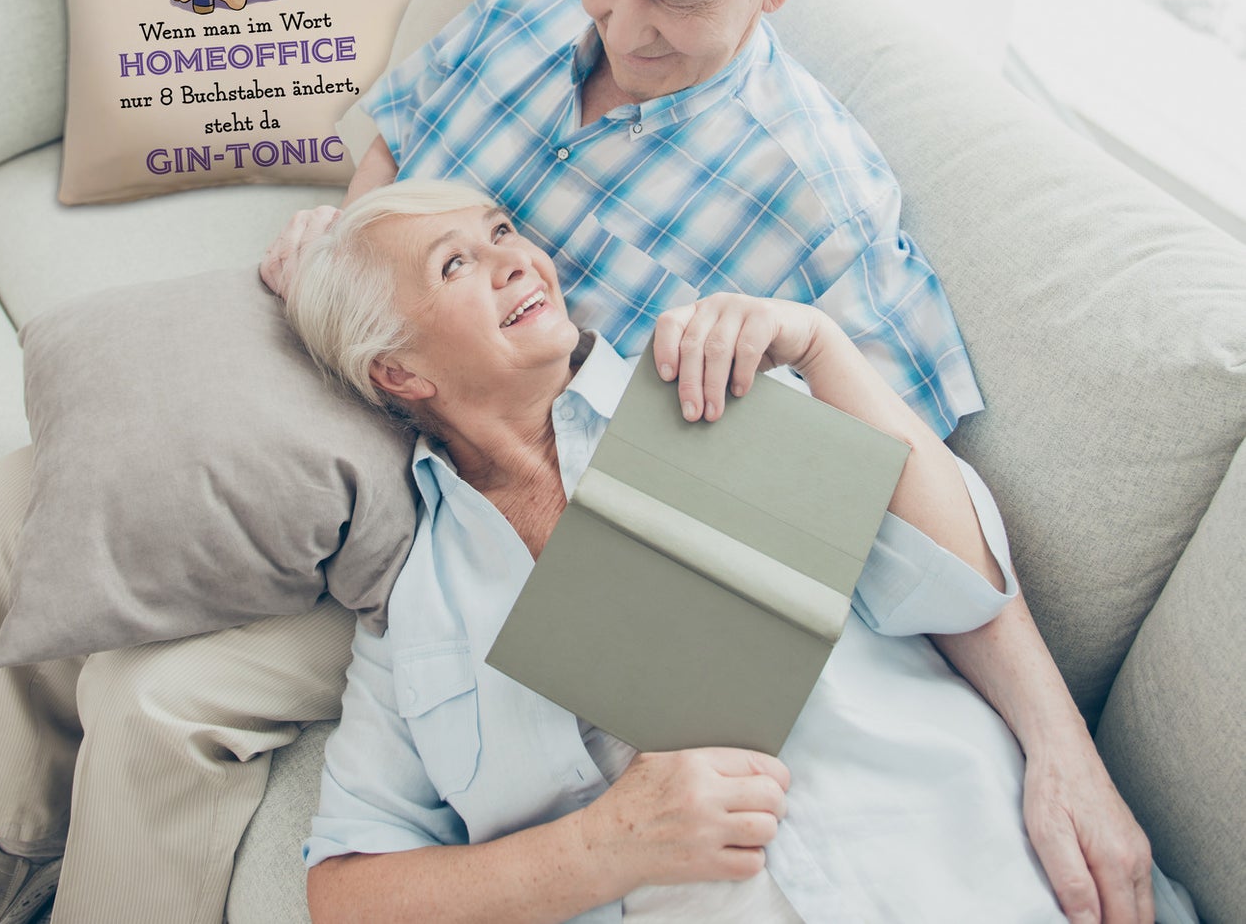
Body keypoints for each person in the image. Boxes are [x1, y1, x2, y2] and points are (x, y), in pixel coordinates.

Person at [0, 0, 1149, 924]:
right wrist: (348, 242)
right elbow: (391, 142)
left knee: (156, 697)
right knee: (30, 486)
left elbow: (904, 500)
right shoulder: (526, 11)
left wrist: (1061, 746)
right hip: (382, 367)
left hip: (494, 493)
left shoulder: (817, 203)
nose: (619, 24)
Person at [287, 179, 1184, 924]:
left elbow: (959, 585)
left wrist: (822, 348)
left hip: (976, 870)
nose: (515, 258)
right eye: (456, 263)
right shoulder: (415, 611)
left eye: (501, 231)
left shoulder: (710, 386)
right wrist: (603, 846)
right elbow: (346, 891)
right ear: (398, 372)